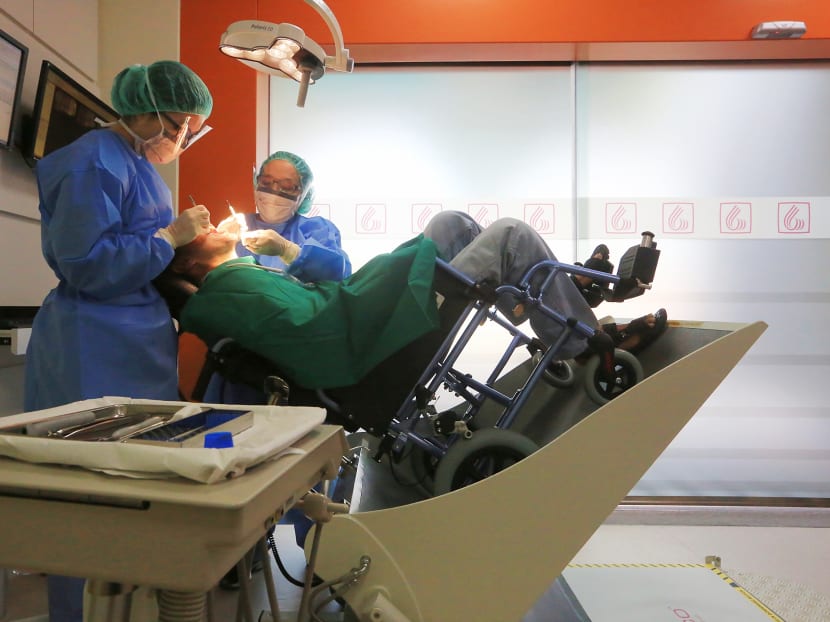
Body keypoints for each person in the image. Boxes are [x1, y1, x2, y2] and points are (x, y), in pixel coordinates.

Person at [23, 60, 214, 622]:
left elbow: (140, 248)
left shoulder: (137, 164)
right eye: (180, 124)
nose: (183, 137)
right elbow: (90, 265)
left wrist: (188, 245)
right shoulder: (87, 163)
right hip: (92, 343)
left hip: (137, 338)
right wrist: (170, 236)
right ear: (146, 110)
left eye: (193, 129)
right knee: (85, 500)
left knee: (134, 495)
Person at [218, 150, 351, 282]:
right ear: (256, 182)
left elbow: (338, 274)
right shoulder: (236, 227)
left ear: (303, 195)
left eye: (287, 186)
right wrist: (219, 243)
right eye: (266, 182)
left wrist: (288, 251)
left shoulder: (317, 229)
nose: (274, 190)